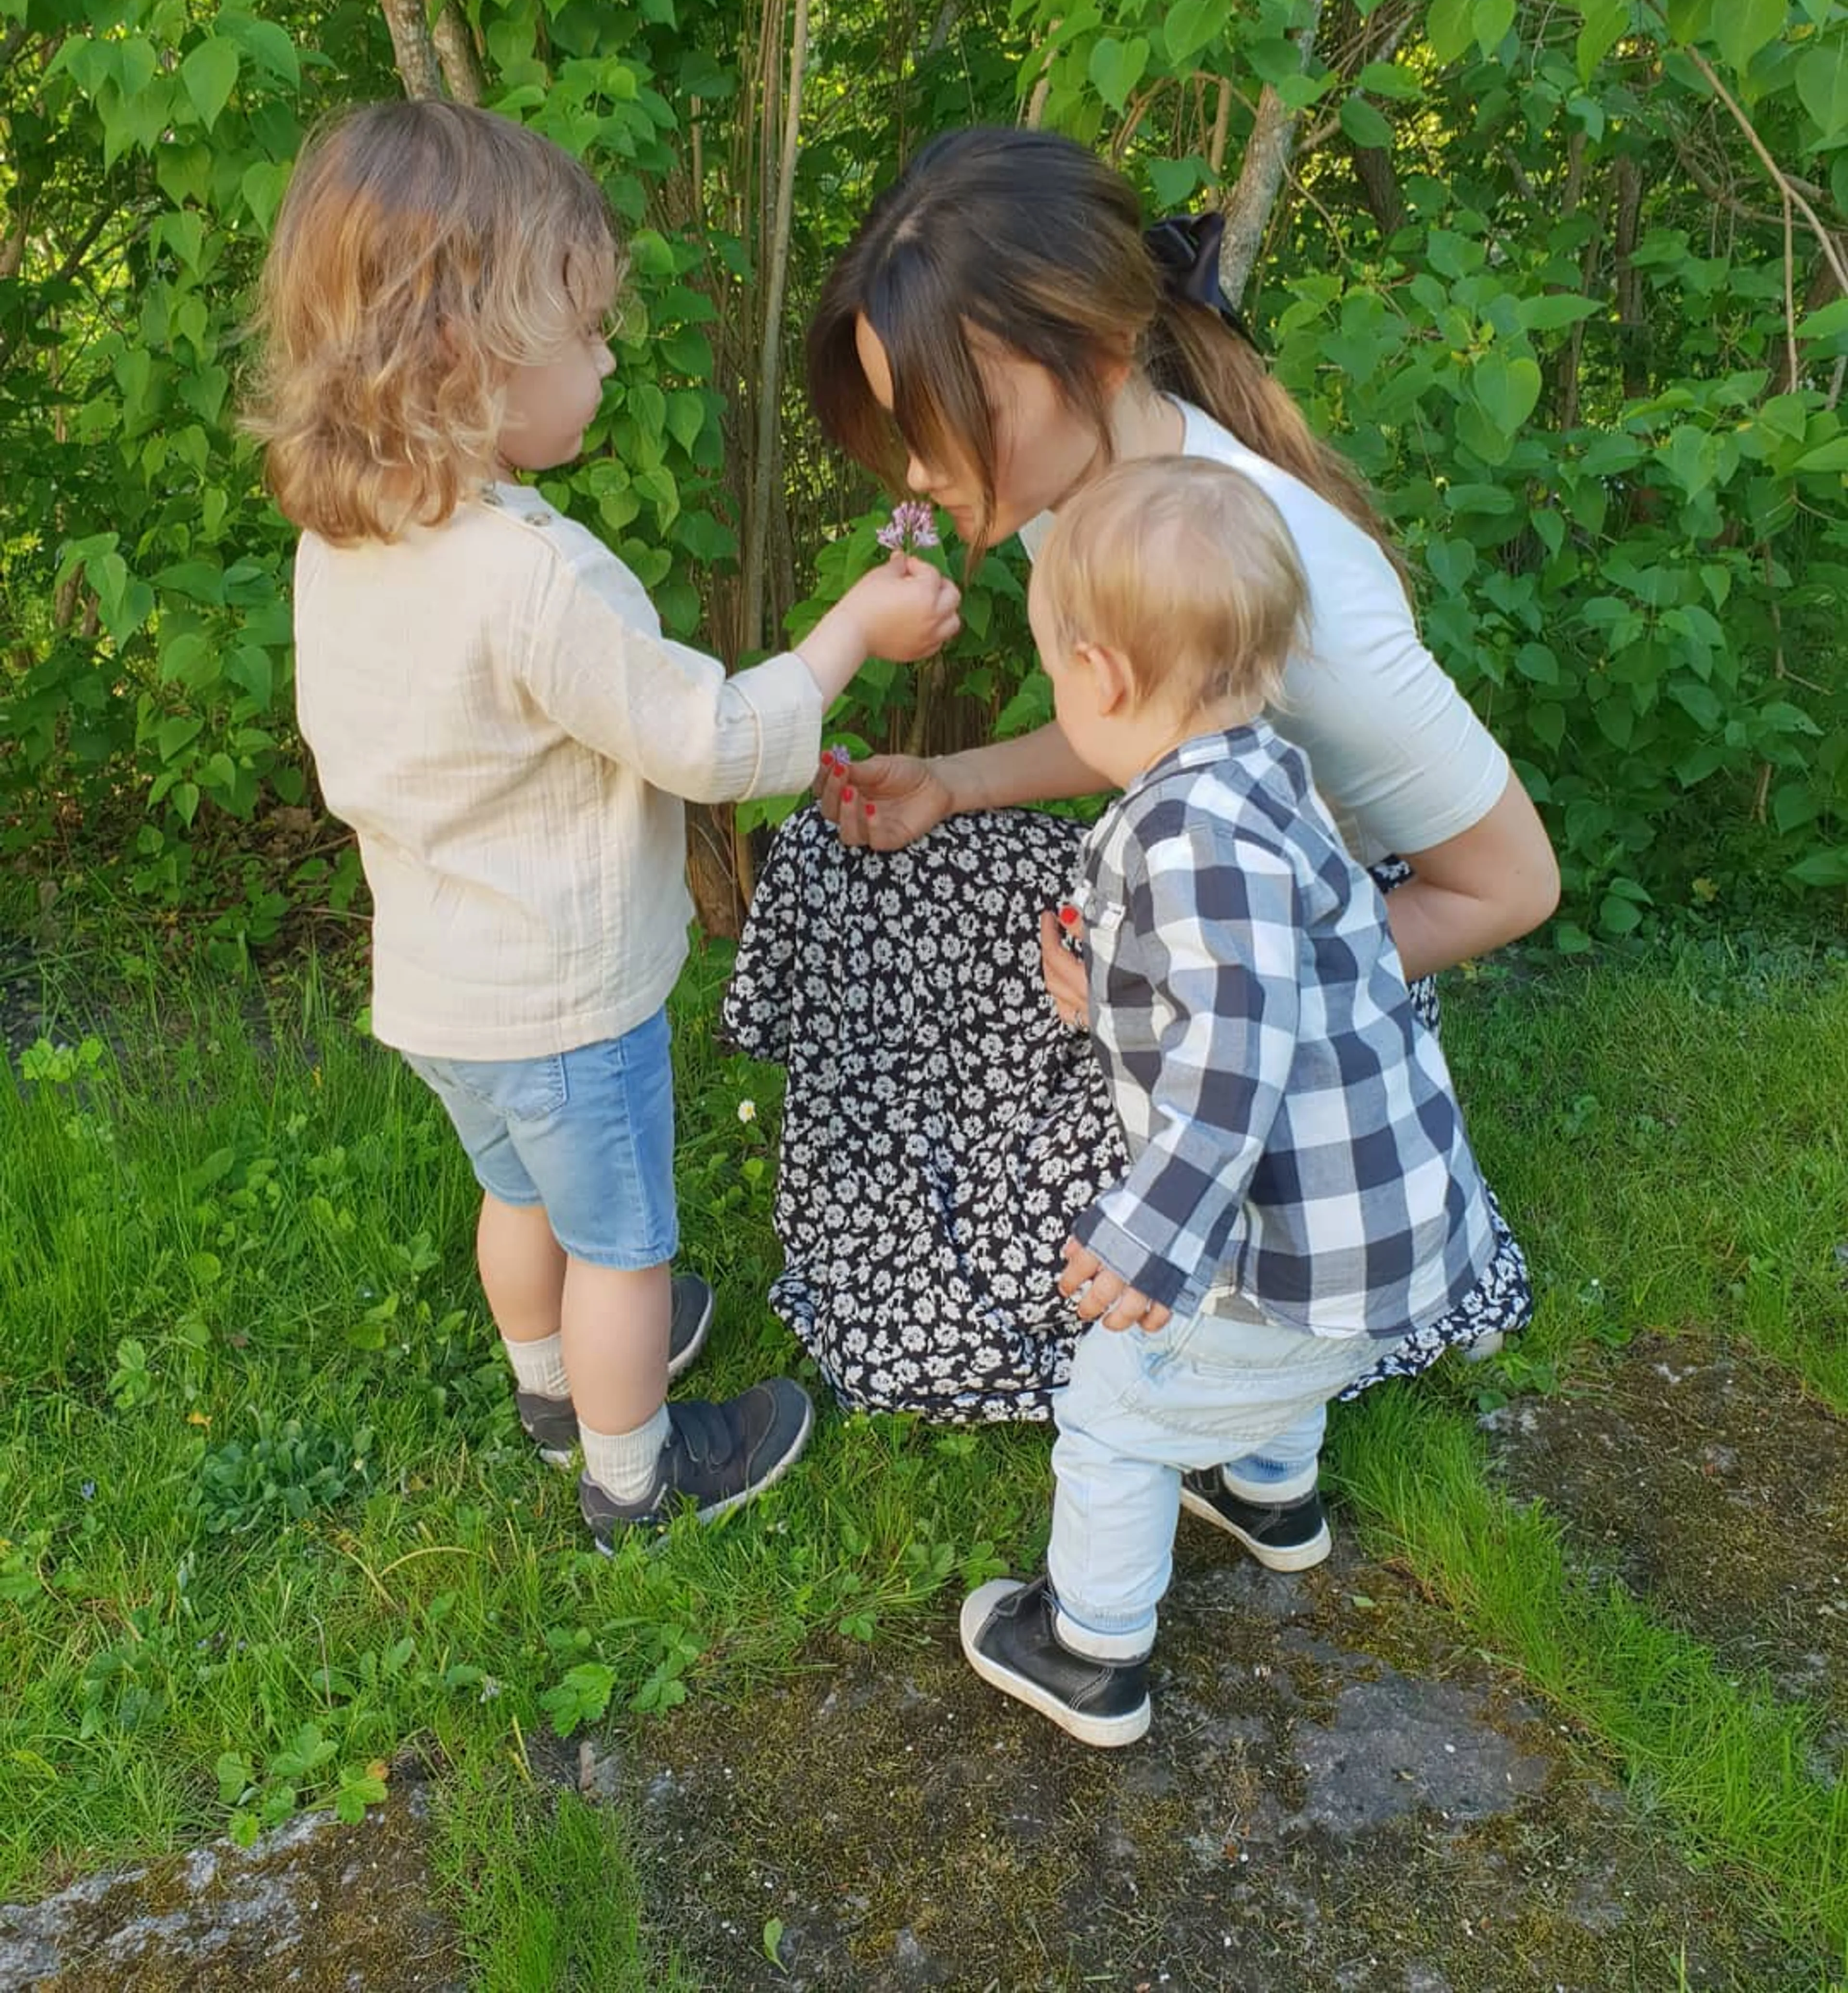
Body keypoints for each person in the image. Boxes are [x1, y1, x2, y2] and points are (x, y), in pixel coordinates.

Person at [721, 124, 1553, 1427]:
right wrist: (953, 781)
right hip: (1180, 906)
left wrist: (1158, 986)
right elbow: (1143, 725)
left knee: (1042, 1292)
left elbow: (1510, 887)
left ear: (1094, 359)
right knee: (848, 859)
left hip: (1267, 1018)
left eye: (950, 415)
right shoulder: (1094, 476)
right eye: (902, 419)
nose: (922, 470)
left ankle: (1256, 1322)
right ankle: (906, 1232)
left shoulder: (1320, 620)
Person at [247, 100, 959, 1549]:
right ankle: (635, 1476)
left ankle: (547, 1384)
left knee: (520, 1201)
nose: (613, 358)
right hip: (568, 1007)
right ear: (471, 354)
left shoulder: (345, 542)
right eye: (586, 333)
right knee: (624, 1249)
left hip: (443, 993)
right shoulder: (538, 576)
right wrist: (847, 639)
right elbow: (709, 744)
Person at [958, 456, 1502, 1745]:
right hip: (1385, 1224)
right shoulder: (1264, 776)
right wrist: (1108, 974)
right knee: (1281, 1344)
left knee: (1112, 1409)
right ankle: (1271, 1493)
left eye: (1053, 671)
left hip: (1277, 1236)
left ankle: (1093, 1650)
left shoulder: (1186, 837)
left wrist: (1155, 1233)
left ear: (1097, 677)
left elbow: (1236, 1050)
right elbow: (1258, 970)